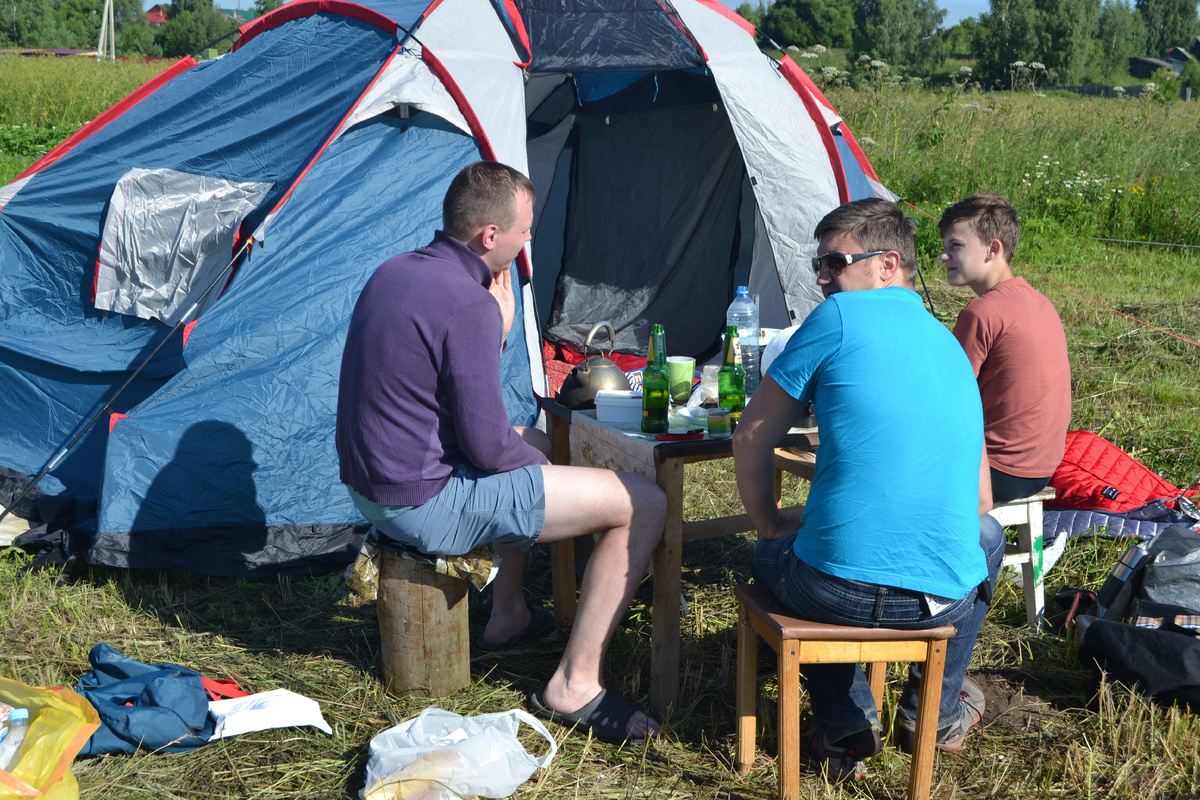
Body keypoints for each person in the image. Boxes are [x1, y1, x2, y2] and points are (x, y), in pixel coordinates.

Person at [336, 161, 666, 744]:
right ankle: (575, 685)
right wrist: (548, 478)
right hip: (421, 501)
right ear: (491, 236)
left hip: (372, 485)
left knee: (533, 437)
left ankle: (508, 614)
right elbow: (488, 447)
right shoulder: (469, 304)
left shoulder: (395, 270)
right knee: (644, 502)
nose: (527, 241)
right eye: (526, 231)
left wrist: (535, 461)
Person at [732, 198, 1004, 782]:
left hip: (835, 593)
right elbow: (979, 501)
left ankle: (845, 720)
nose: (823, 278)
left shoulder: (836, 319)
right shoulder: (952, 345)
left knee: (776, 551)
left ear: (888, 265)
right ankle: (930, 712)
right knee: (987, 538)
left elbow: (751, 435)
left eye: (834, 262)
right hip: (940, 602)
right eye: (819, 264)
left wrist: (769, 520)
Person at [939, 194, 1071, 504]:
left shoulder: (981, 312)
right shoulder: (1039, 301)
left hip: (996, 472)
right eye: (945, 248)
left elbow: (944, 399)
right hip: (1041, 469)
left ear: (993, 248)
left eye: (955, 246)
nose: (944, 257)